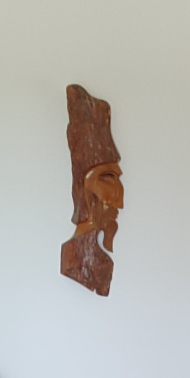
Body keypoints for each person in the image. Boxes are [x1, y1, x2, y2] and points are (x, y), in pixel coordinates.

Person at [61, 85, 122, 295]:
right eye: (108, 179)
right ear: (81, 188)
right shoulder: (74, 260)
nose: (120, 201)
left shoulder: (103, 263)